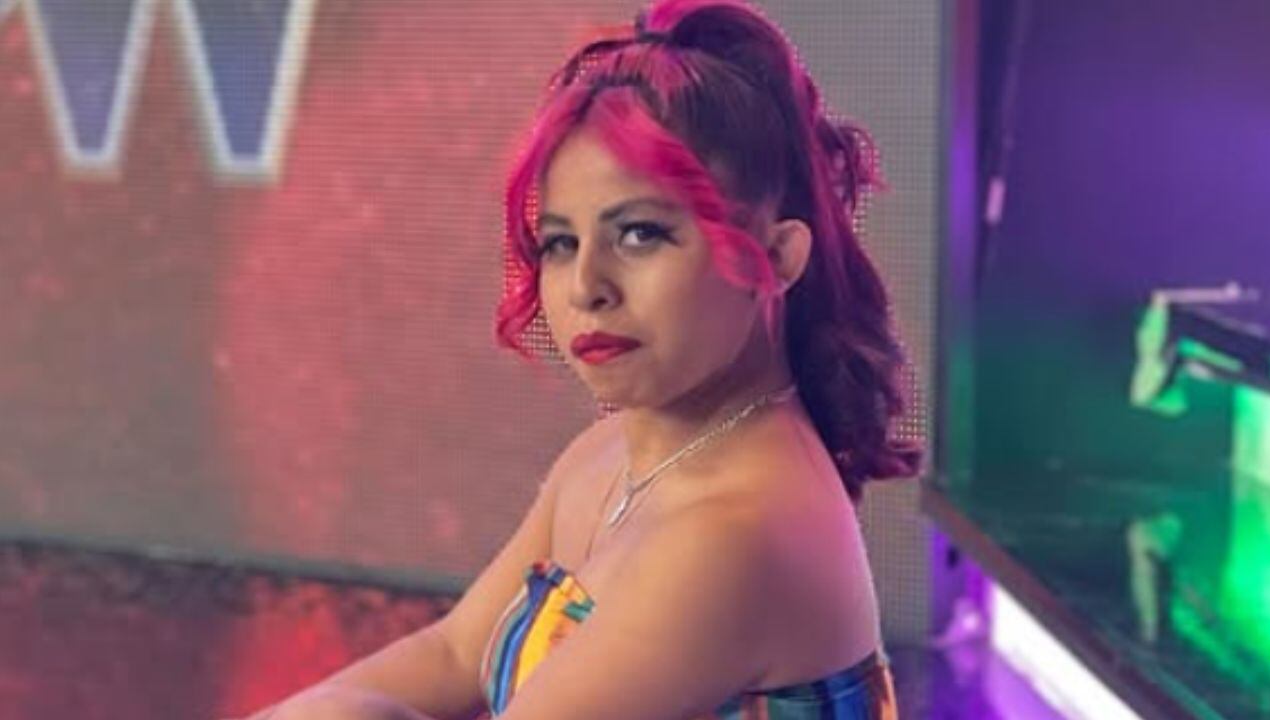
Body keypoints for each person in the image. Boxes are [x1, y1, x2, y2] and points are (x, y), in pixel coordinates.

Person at [240, 0, 918, 717]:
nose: (586, 287)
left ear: (776, 257)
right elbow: (456, 654)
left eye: (639, 234)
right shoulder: (610, 454)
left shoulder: (735, 536)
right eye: (561, 243)